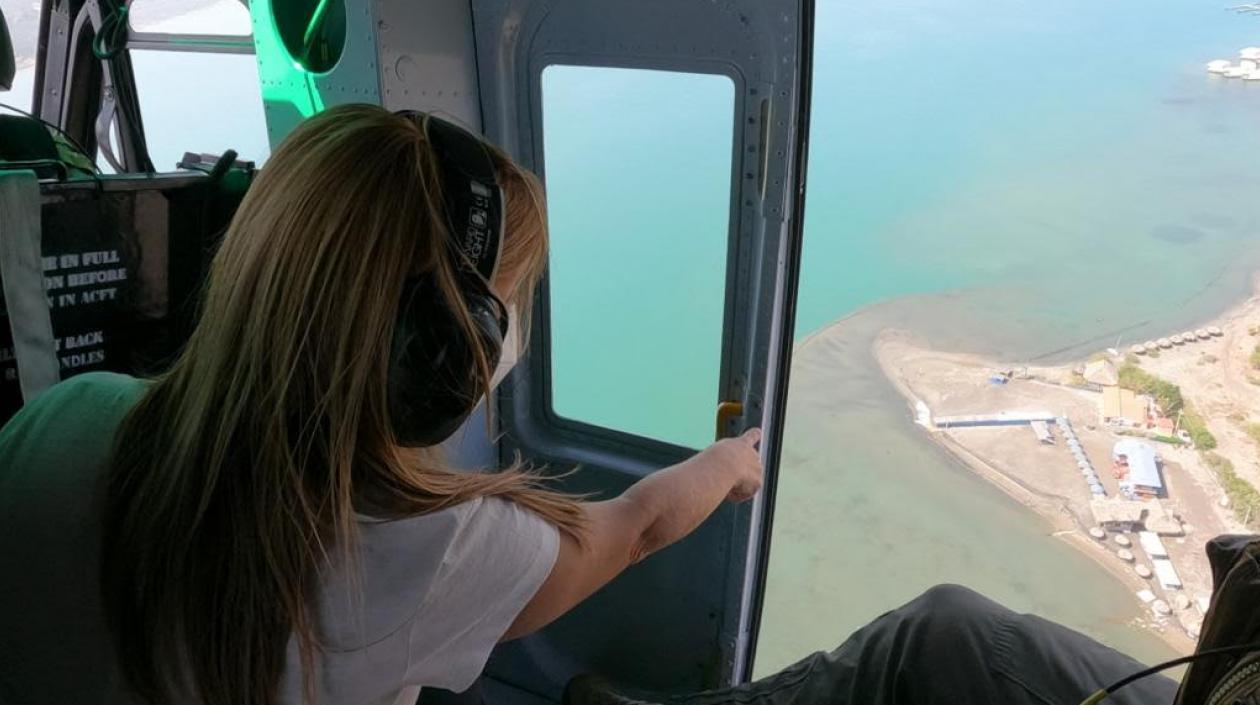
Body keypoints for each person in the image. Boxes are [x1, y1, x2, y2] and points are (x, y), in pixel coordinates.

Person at [0, 103, 1196, 705]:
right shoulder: (423, 552)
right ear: (455, 351)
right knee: (937, 643)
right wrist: (734, 465)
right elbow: (636, 528)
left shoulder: (64, 422)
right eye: (507, 300)